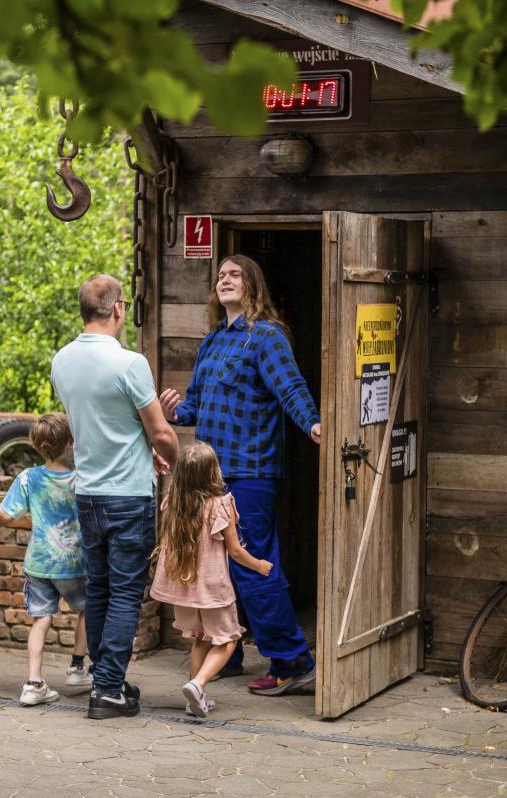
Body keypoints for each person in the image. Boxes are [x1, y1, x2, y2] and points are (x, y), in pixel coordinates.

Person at [159, 254, 320, 696]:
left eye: (234, 274)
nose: (224, 280)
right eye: (220, 275)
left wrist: (312, 423)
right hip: (210, 478)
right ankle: (225, 652)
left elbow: (291, 388)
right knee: (217, 569)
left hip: (251, 472)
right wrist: (174, 412)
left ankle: (292, 661)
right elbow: (196, 405)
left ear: (252, 285)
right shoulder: (213, 341)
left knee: (251, 566)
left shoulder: (266, 336)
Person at [51, 274, 178, 719]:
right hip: (128, 494)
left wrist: (144, 448)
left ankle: (109, 678)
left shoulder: (61, 361)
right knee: (125, 593)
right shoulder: (130, 363)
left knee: (101, 590)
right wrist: (174, 460)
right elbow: (159, 431)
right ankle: (107, 689)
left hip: (88, 492)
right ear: (118, 309)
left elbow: (102, 423)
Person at [0, 413, 90, 706]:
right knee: (89, 610)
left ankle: (34, 683)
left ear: (37, 446)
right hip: (74, 564)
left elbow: (6, 515)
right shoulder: (83, 477)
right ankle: (77, 668)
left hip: (38, 564)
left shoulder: (28, 478)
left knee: (41, 619)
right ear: (70, 443)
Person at [150, 442, 272, 718]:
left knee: (202, 639)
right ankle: (198, 683)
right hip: (212, 589)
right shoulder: (220, 505)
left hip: (185, 590)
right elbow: (236, 551)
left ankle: (195, 699)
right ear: (212, 472)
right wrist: (259, 566)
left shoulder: (174, 503)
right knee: (228, 640)